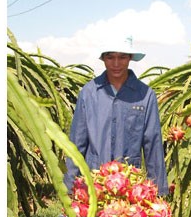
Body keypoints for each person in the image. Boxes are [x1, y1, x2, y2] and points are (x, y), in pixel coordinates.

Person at [64, 37, 168, 195]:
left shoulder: (145, 95)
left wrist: (158, 191)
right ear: (103, 59)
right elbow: (77, 142)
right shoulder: (89, 93)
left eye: (122, 57)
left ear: (130, 58)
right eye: (110, 57)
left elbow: (152, 145)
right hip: (93, 182)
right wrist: (69, 187)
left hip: (130, 185)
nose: (116, 63)